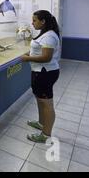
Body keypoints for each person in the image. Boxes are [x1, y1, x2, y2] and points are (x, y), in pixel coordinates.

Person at [21, 10, 61, 143]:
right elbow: (39, 50)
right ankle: (41, 123)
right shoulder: (44, 34)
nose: (32, 23)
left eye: (34, 20)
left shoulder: (49, 36)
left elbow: (46, 57)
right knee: (40, 100)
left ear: (43, 21)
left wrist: (27, 58)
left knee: (47, 103)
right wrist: (30, 54)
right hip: (40, 72)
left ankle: (46, 134)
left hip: (45, 73)